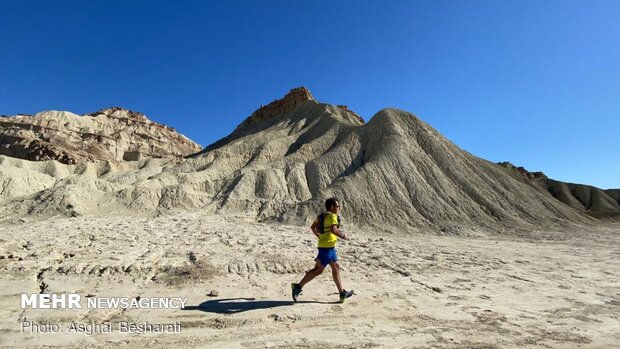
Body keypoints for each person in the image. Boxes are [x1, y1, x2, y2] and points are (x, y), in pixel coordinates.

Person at [291, 197, 354, 303]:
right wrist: (344, 236)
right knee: (318, 270)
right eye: (337, 206)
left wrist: (320, 237)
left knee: (336, 267)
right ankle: (297, 287)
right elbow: (333, 230)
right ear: (332, 207)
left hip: (328, 247)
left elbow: (312, 227)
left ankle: (342, 292)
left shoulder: (321, 216)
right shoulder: (333, 216)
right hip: (327, 248)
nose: (338, 208)